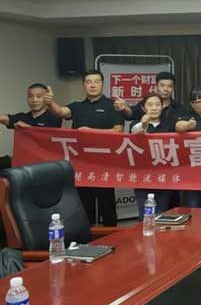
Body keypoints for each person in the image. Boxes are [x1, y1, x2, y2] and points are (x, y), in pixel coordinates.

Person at [45, 69, 124, 226]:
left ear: (102, 84)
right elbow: (60, 112)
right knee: (85, 206)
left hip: (104, 164)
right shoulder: (77, 106)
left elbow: (118, 130)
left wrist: (90, 131)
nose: (92, 85)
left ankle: (111, 237)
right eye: (88, 82)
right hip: (81, 164)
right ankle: (86, 238)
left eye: (96, 82)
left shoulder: (112, 105)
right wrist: (50, 103)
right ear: (83, 85)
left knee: (107, 205)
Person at [131, 93, 175, 218]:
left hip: (164, 176)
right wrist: (144, 124)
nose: (154, 108)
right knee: (145, 215)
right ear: (143, 108)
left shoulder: (170, 124)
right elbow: (135, 133)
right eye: (150, 105)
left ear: (162, 106)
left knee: (161, 215)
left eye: (157, 105)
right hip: (143, 177)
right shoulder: (135, 123)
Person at [114, 71, 182, 129]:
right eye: (162, 85)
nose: (165, 89)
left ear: (173, 88)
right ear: (156, 86)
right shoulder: (144, 104)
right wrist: (125, 108)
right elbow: (131, 114)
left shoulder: (180, 109)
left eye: (169, 86)